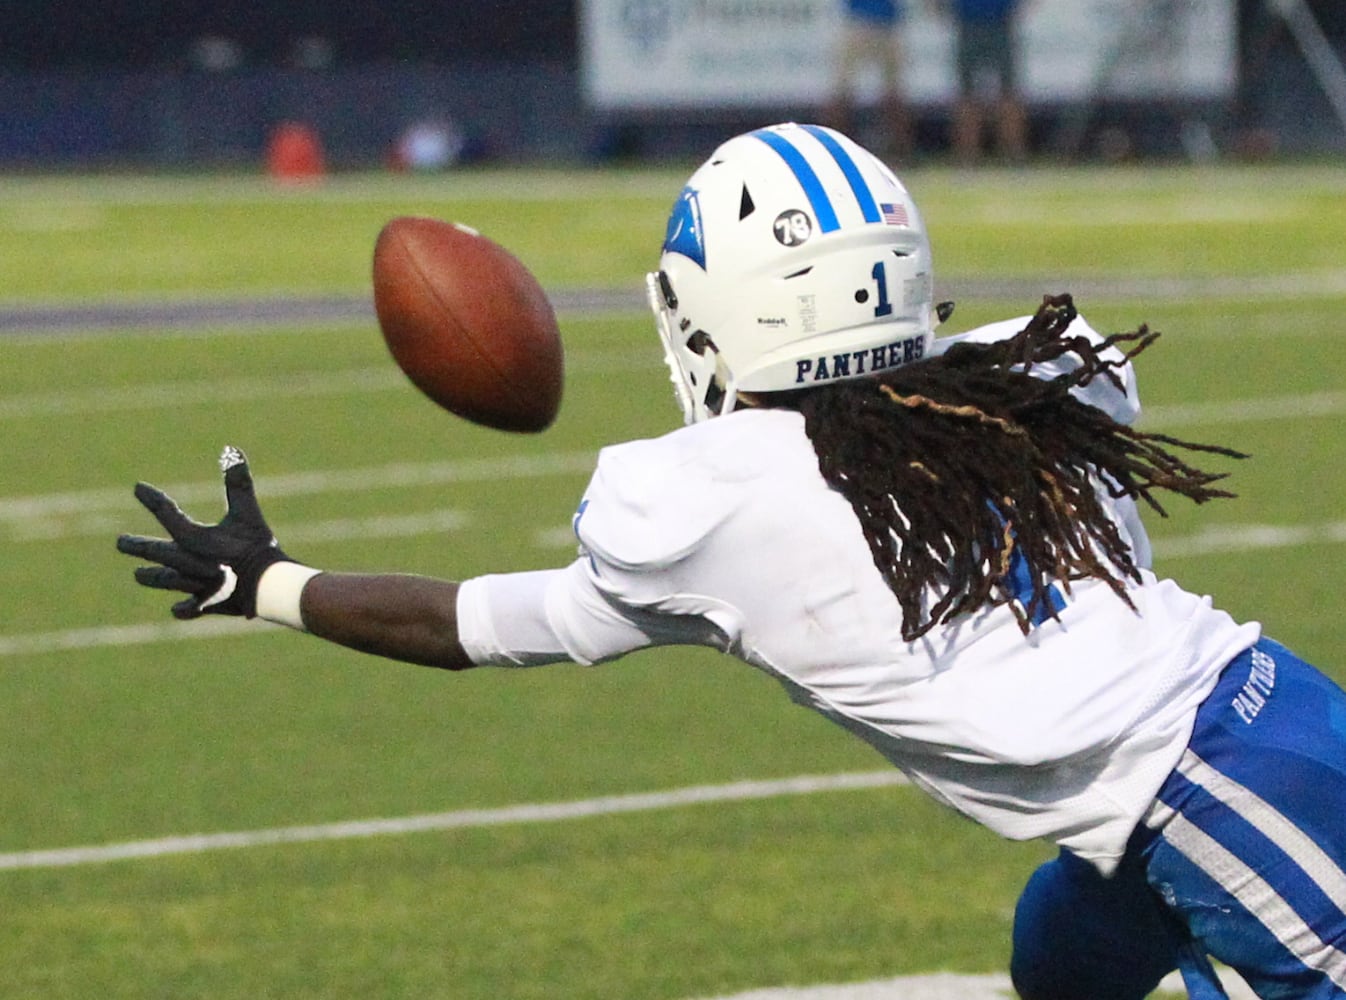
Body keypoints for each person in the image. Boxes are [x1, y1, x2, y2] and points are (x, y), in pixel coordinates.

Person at [117, 122, 1346, 998]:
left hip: (1225, 802)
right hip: (1240, 736)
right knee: (1058, 959)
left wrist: (271, 583)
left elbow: (478, 624)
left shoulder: (710, 501)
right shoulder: (1021, 380)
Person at [944, 0, 1029, 163]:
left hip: (1000, 23)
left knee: (1008, 94)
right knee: (967, 96)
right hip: (968, 24)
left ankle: (1013, 152)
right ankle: (968, 154)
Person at [827, 0, 913, 159]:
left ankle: (901, 151)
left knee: (892, 94)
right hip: (861, 22)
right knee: (842, 93)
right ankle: (831, 149)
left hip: (882, 24)